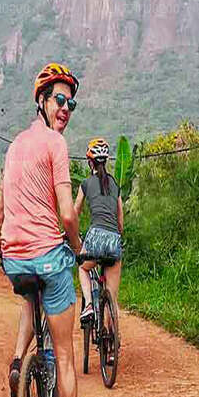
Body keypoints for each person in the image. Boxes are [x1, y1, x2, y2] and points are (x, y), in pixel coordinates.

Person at [0, 62, 87, 397]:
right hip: (48, 255)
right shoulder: (55, 145)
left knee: (34, 297)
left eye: (71, 103)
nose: (65, 109)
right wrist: (78, 247)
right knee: (65, 355)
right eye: (60, 100)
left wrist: (3, 249)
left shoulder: (13, 148)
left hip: (15, 259)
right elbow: (67, 213)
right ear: (43, 102)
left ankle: (18, 362)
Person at [76, 138, 124, 329]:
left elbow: (74, 211)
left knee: (82, 267)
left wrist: (69, 234)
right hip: (114, 239)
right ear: (106, 161)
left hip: (95, 236)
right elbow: (120, 220)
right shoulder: (115, 184)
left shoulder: (86, 183)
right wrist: (118, 236)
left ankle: (88, 304)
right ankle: (113, 347)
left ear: (90, 162)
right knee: (112, 296)